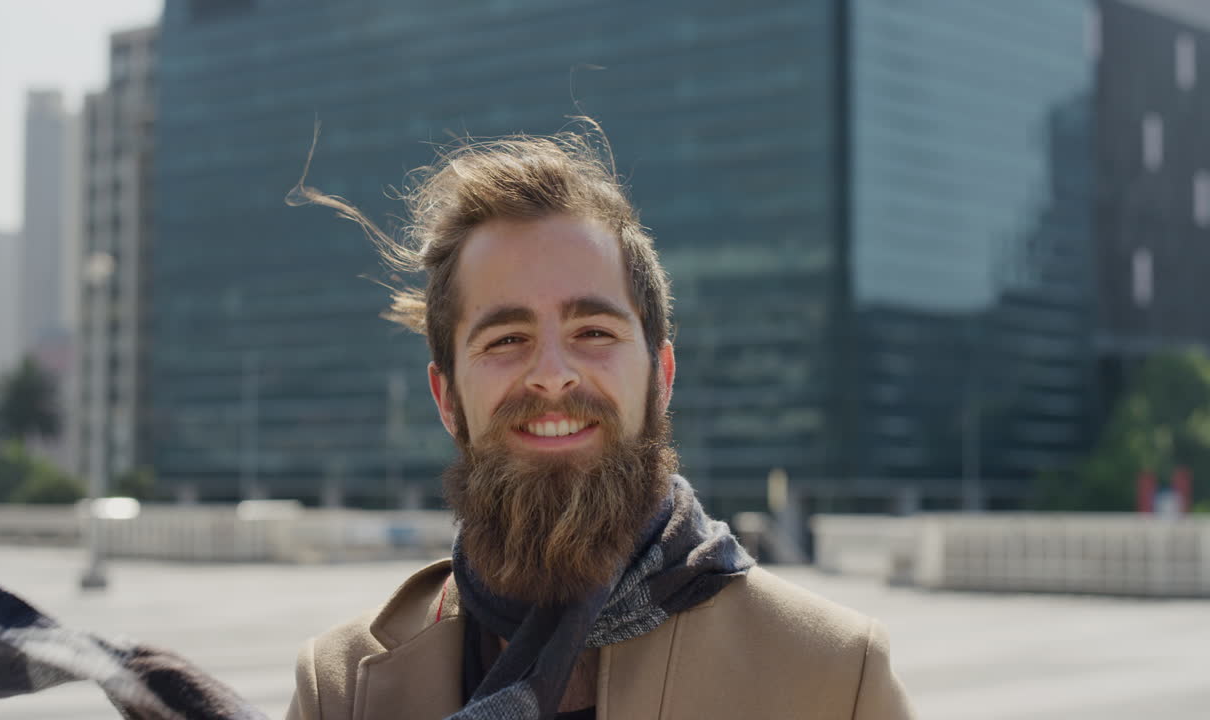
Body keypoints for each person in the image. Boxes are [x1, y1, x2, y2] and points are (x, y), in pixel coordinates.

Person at [284, 127, 916, 720]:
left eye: (593, 331)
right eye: (506, 338)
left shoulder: (834, 676)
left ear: (661, 377)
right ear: (446, 397)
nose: (553, 375)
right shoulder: (337, 688)